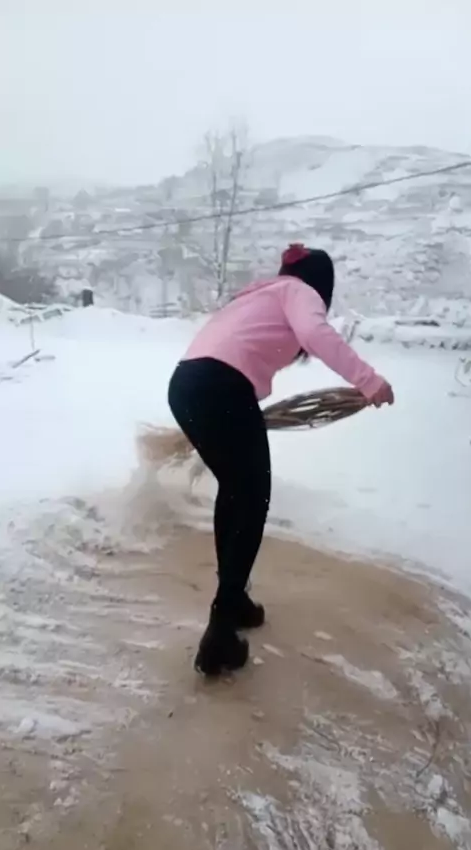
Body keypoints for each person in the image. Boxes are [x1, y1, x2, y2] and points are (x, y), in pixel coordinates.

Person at [168, 244, 394, 676]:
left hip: (186, 387)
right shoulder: (298, 291)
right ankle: (220, 632)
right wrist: (368, 380)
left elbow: (239, 349)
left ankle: (233, 599)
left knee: (237, 493)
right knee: (251, 498)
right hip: (221, 387)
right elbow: (317, 335)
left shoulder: (258, 294)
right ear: (321, 283)